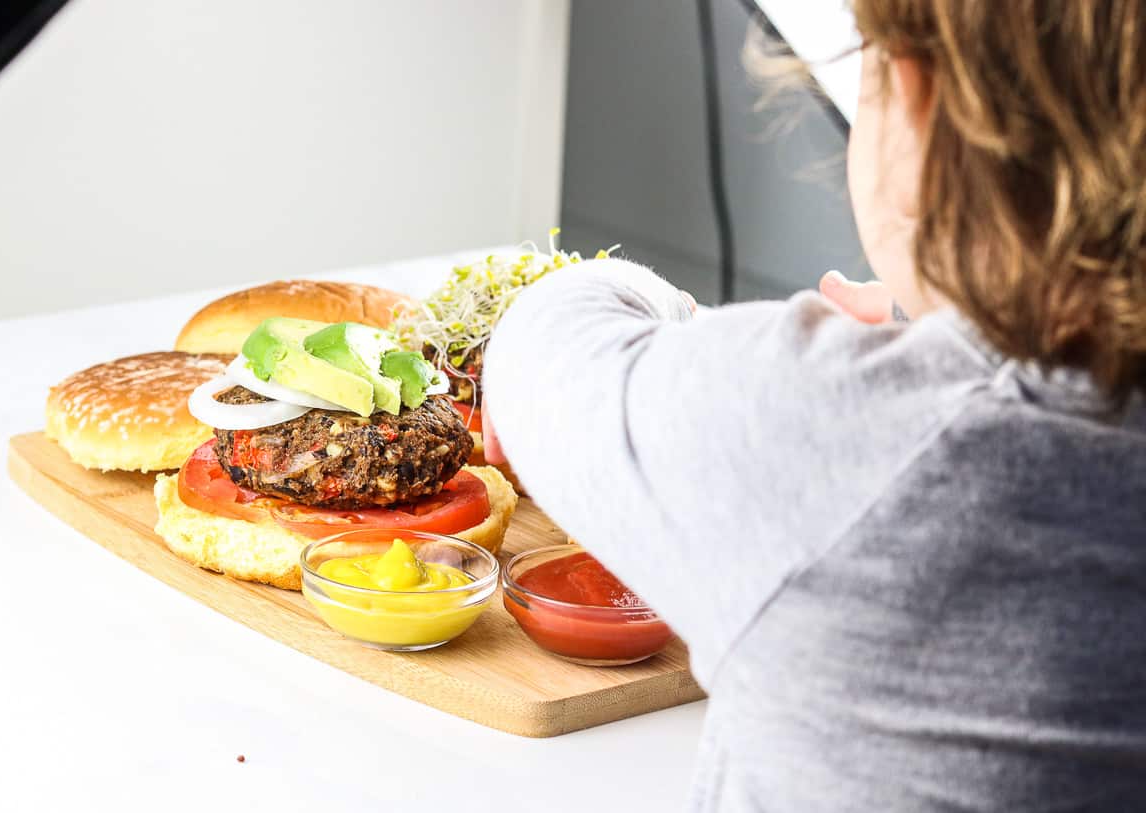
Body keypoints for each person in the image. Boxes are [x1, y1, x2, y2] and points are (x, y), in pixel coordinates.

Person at [481, 2, 1146, 811]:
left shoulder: (842, 428)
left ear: (914, 91)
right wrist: (933, 333)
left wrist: (706, 327)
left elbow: (538, 349)